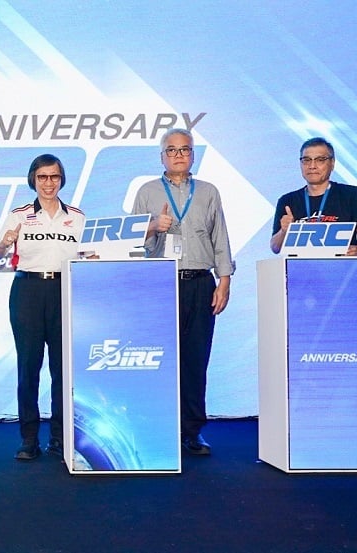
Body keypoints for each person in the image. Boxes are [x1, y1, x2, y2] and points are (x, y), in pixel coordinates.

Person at [131, 128, 234, 456]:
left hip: (201, 283)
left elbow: (220, 237)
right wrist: (153, 227)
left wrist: (224, 280)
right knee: (159, 359)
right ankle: (159, 426)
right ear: (161, 156)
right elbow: (130, 240)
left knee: (195, 358)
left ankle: (192, 431)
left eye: (185, 149)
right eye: (172, 150)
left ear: (193, 154)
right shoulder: (147, 191)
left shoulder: (208, 191)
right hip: (160, 282)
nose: (178, 155)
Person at [0, 153, 85, 461]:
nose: (48, 183)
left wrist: (94, 257)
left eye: (54, 176)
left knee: (62, 370)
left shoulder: (77, 216)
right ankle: (29, 439)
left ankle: (59, 438)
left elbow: (87, 254)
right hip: (28, 291)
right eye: (42, 177)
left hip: (63, 290)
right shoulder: (18, 215)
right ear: (33, 179)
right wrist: (4, 243)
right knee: (29, 368)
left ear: (62, 179)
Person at [269, 137, 357, 256]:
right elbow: (275, 247)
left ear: (332, 163)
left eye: (320, 160)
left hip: (341, 266)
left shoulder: (350, 195)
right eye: (306, 160)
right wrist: (284, 231)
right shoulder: (287, 201)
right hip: (300, 267)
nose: (312, 166)